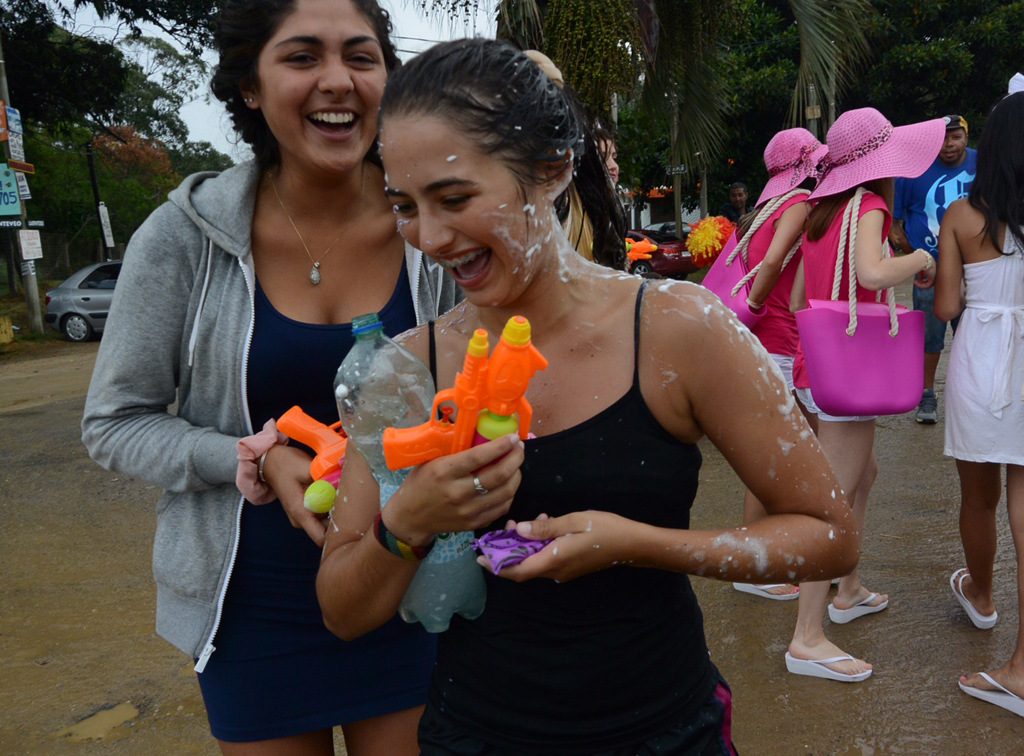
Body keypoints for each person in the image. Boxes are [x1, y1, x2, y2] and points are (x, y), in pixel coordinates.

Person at [316, 38, 859, 754]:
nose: (431, 237)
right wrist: (408, 522)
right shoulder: (405, 368)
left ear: (552, 170)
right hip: (475, 734)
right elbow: (343, 610)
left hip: (665, 731)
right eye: (404, 206)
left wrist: (639, 544)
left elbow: (829, 536)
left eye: (454, 198)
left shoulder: (679, 331)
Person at [81, 1, 461, 753]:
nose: (337, 81)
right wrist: (249, 457)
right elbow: (115, 423)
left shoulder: (438, 223)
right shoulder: (185, 236)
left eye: (361, 56)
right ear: (250, 87)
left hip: (415, 584)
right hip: (252, 606)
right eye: (301, 57)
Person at [787, 108, 944, 682]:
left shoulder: (817, 213)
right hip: (853, 374)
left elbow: (802, 293)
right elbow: (875, 275)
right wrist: (922, 259)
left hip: (823, 367)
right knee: (833, 497)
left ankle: (847, 587)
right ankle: (807, 633)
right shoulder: (871, 208)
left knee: (864, 474)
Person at [935, 91, 1024, 718]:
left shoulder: (963, 217)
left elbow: (945, 309)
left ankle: (983, 596)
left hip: (981, 360)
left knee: (979, 496)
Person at [729, 128, 826, 601]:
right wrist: (757, 304)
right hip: (782, 346)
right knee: (788, 453)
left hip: (766, 344)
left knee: (775, 452)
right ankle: (757, 569)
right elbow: (770, 265)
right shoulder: (798, 206)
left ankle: (761, 563)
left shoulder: (764, 209)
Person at [891, 114, 978, 424]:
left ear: (967, 137)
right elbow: (893, 223)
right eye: (943, 138)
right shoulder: (913, 171)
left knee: (974, 335)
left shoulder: (984, 166)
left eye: (955, 136)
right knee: (929, 336)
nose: (949, 144)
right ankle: (926, 394)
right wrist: (917, 258)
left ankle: (972, 395)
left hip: (975, 269)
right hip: (930, 272)